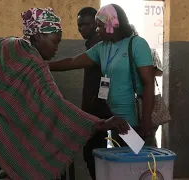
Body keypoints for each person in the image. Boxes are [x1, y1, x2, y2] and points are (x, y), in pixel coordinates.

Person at [0, 7, 129, 180]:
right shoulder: (34, 62)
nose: (56, 48)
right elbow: (55, 104)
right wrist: (99, 123)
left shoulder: (6, 45)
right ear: (37, 37)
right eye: (54, 42)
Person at [48, 4, 155, 145]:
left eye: (100, 26)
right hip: (115, 121)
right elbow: (73, 62)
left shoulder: (136, 44)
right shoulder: (102, 47)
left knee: (135, 161)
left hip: (134, 120)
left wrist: (146, 119)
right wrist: (42, 65)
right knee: (118, 162)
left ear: (113, 24)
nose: (97, 30)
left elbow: (148, 83)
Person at [77, 7, 112, 180]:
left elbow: (106, 78)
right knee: (95, 154)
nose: (82, 28)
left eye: (86, 24)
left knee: (93, 154)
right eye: (79, 25)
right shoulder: (93, 44)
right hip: (96, 110)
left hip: (98, 110)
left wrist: (99, 102)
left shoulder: (99, 45)